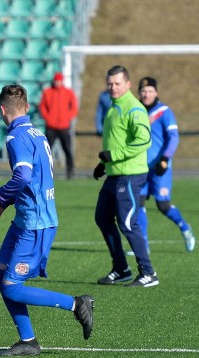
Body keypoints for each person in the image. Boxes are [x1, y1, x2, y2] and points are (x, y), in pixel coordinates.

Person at [0, 84, 93, 356]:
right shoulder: (36, 132)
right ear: (28, 107)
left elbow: (22, 176)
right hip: (26, 218)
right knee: (2, 278)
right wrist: (8, 203)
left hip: (35, 223)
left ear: (1, 110)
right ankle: (28, 341)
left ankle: (76, 304)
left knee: (12, 287)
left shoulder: (16, 137)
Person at [94, 65, 159, 287]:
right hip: (114, 174)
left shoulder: (134, 108)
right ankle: (121, 268)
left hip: (131, 174)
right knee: (102, 217)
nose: (112, 87)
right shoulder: (113, 107)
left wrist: (113, 155)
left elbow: (144, 140)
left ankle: (149, 273)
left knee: (128, 223)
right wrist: (103, 164)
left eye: (117, 83)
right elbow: (116, 141)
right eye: (110, 83)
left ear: (128, 84)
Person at [135, 77, 194, 253]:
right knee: (138, 204)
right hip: (140, 168)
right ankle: (143, 244)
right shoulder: (135, 111)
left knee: (163, 206)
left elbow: (174, 137)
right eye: (143, 91)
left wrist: (165, 158)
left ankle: (185, 228)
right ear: (139, 93)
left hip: (160, 168)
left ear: (156, 93)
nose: (146, 94)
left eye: (150, 91)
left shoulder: (164, 112)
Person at [38, 72, 78, 179]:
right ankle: (43, 172)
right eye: (56, 80)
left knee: (67, 150)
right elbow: (42, 107)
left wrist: (67, 117)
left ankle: (70, 172)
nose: (57, 82)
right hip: (51, 126)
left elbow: (74, 107)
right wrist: (48, 117)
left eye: (59, 80)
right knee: (47, 151)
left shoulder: (68, 92)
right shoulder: (48, 92)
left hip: (64, 126)